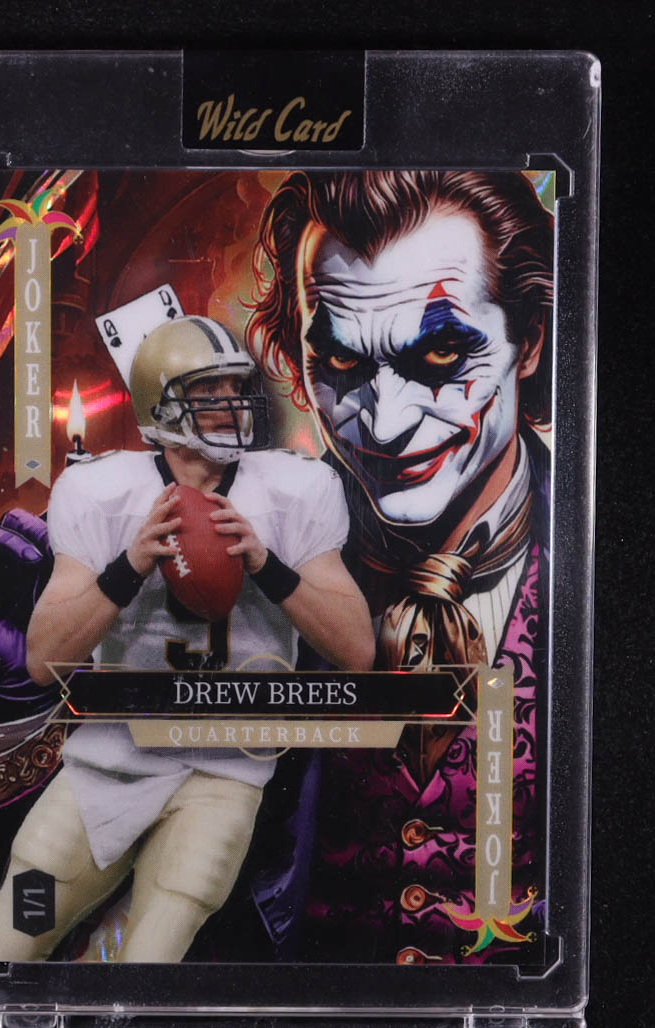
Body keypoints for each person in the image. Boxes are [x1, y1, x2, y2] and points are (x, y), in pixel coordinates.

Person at [0, 314, 374, 963]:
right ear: (157, 403)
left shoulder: (296, 489)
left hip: (222, 775)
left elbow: (357, 649)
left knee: (149, 963)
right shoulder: (101, 491)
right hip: (105, 768)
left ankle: (112, 1022)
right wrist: (128, 565)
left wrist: (266, 566)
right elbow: (46, 660)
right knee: (10, 940)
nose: (231, 405)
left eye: (236, 389)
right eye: (207, 391)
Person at [241, 170, 553, 963]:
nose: (384, 423)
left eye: (440, 353)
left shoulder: (598, 556)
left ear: (529, 341)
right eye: (339, 361)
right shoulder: (255, 552)